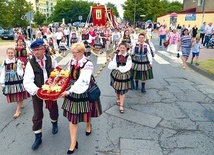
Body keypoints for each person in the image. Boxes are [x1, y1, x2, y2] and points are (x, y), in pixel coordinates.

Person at [60, 42, 102, 154]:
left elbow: (83, 81)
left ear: (82, 52)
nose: (73, 54)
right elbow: (68, 75)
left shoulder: (88, 64)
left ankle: (88, 124)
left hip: (83, 90)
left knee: (87, 112)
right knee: (73, 118)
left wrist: (69, 91)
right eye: (72, 52)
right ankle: (73, 142)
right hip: (73, 91)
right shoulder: (72, 61)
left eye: (75, 52)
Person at [23, 39, 59, 150]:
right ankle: (38, 137)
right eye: (34, 50)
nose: (36, 52)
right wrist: (37, 91)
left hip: (50, 90)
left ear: (43, 49)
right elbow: (27, 81)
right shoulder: (31, 63)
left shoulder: (50, 59)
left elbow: (57, 72)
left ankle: (54, 123)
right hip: (37, 91)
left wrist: (56, 83)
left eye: (38, 49)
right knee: (37, 113)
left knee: (53, 109)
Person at [0, 48, 29, 119]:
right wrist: (2, 83)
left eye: (12, 53)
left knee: (18, 93)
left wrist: (19, 67)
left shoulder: (17, 61)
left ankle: (18, 110)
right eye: (9, 53)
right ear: (7, 54)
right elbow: (3, 73)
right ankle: (20, 102)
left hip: (17, 79)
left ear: (14, 54)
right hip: (9, 80)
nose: (10, 54)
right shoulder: (4, 62)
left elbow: (20, 72)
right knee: (14, 94)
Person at [108, 42, 132, 113]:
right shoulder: (116, 55)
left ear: (125, 48)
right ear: (118, 48)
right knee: (117, 87)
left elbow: (128, 65)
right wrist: (113, 63)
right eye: (121, 48)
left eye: (123, 48)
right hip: (116, 73)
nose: (122, 49)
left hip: (124, 74)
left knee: (122, 89)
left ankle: (121, 105)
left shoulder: (128, 56)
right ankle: (118, 97)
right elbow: (113, 64)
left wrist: (121, 69)